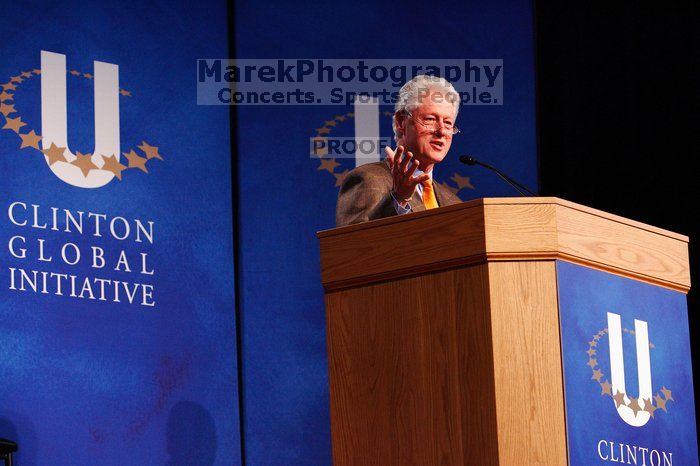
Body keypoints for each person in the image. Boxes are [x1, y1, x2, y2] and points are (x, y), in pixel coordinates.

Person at [335, 75, 463, 227]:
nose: (442, 131)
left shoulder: (454, 203)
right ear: (401, 122)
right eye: (430, 119)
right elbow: (351, 247)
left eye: (448, 123)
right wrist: (399, 199)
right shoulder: (368, 179)